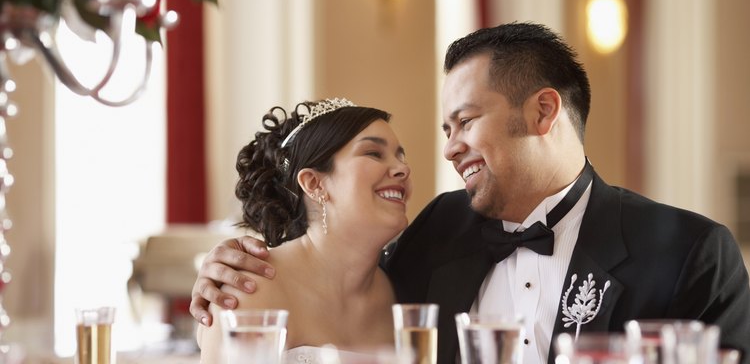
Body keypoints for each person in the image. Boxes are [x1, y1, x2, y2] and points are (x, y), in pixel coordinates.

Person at [190, 23, 750, 364]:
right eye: (445, 131)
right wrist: (224, 265)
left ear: (543, 111)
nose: (450, 149)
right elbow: (327, 270)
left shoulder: (687, 252)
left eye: (465, 121)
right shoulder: (434, 234)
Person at [195, 98, 413, 363]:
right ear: (314, 184)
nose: (403, 169)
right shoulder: (250, 290)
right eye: (373, 153)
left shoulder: (404, 288)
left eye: (400, 156)